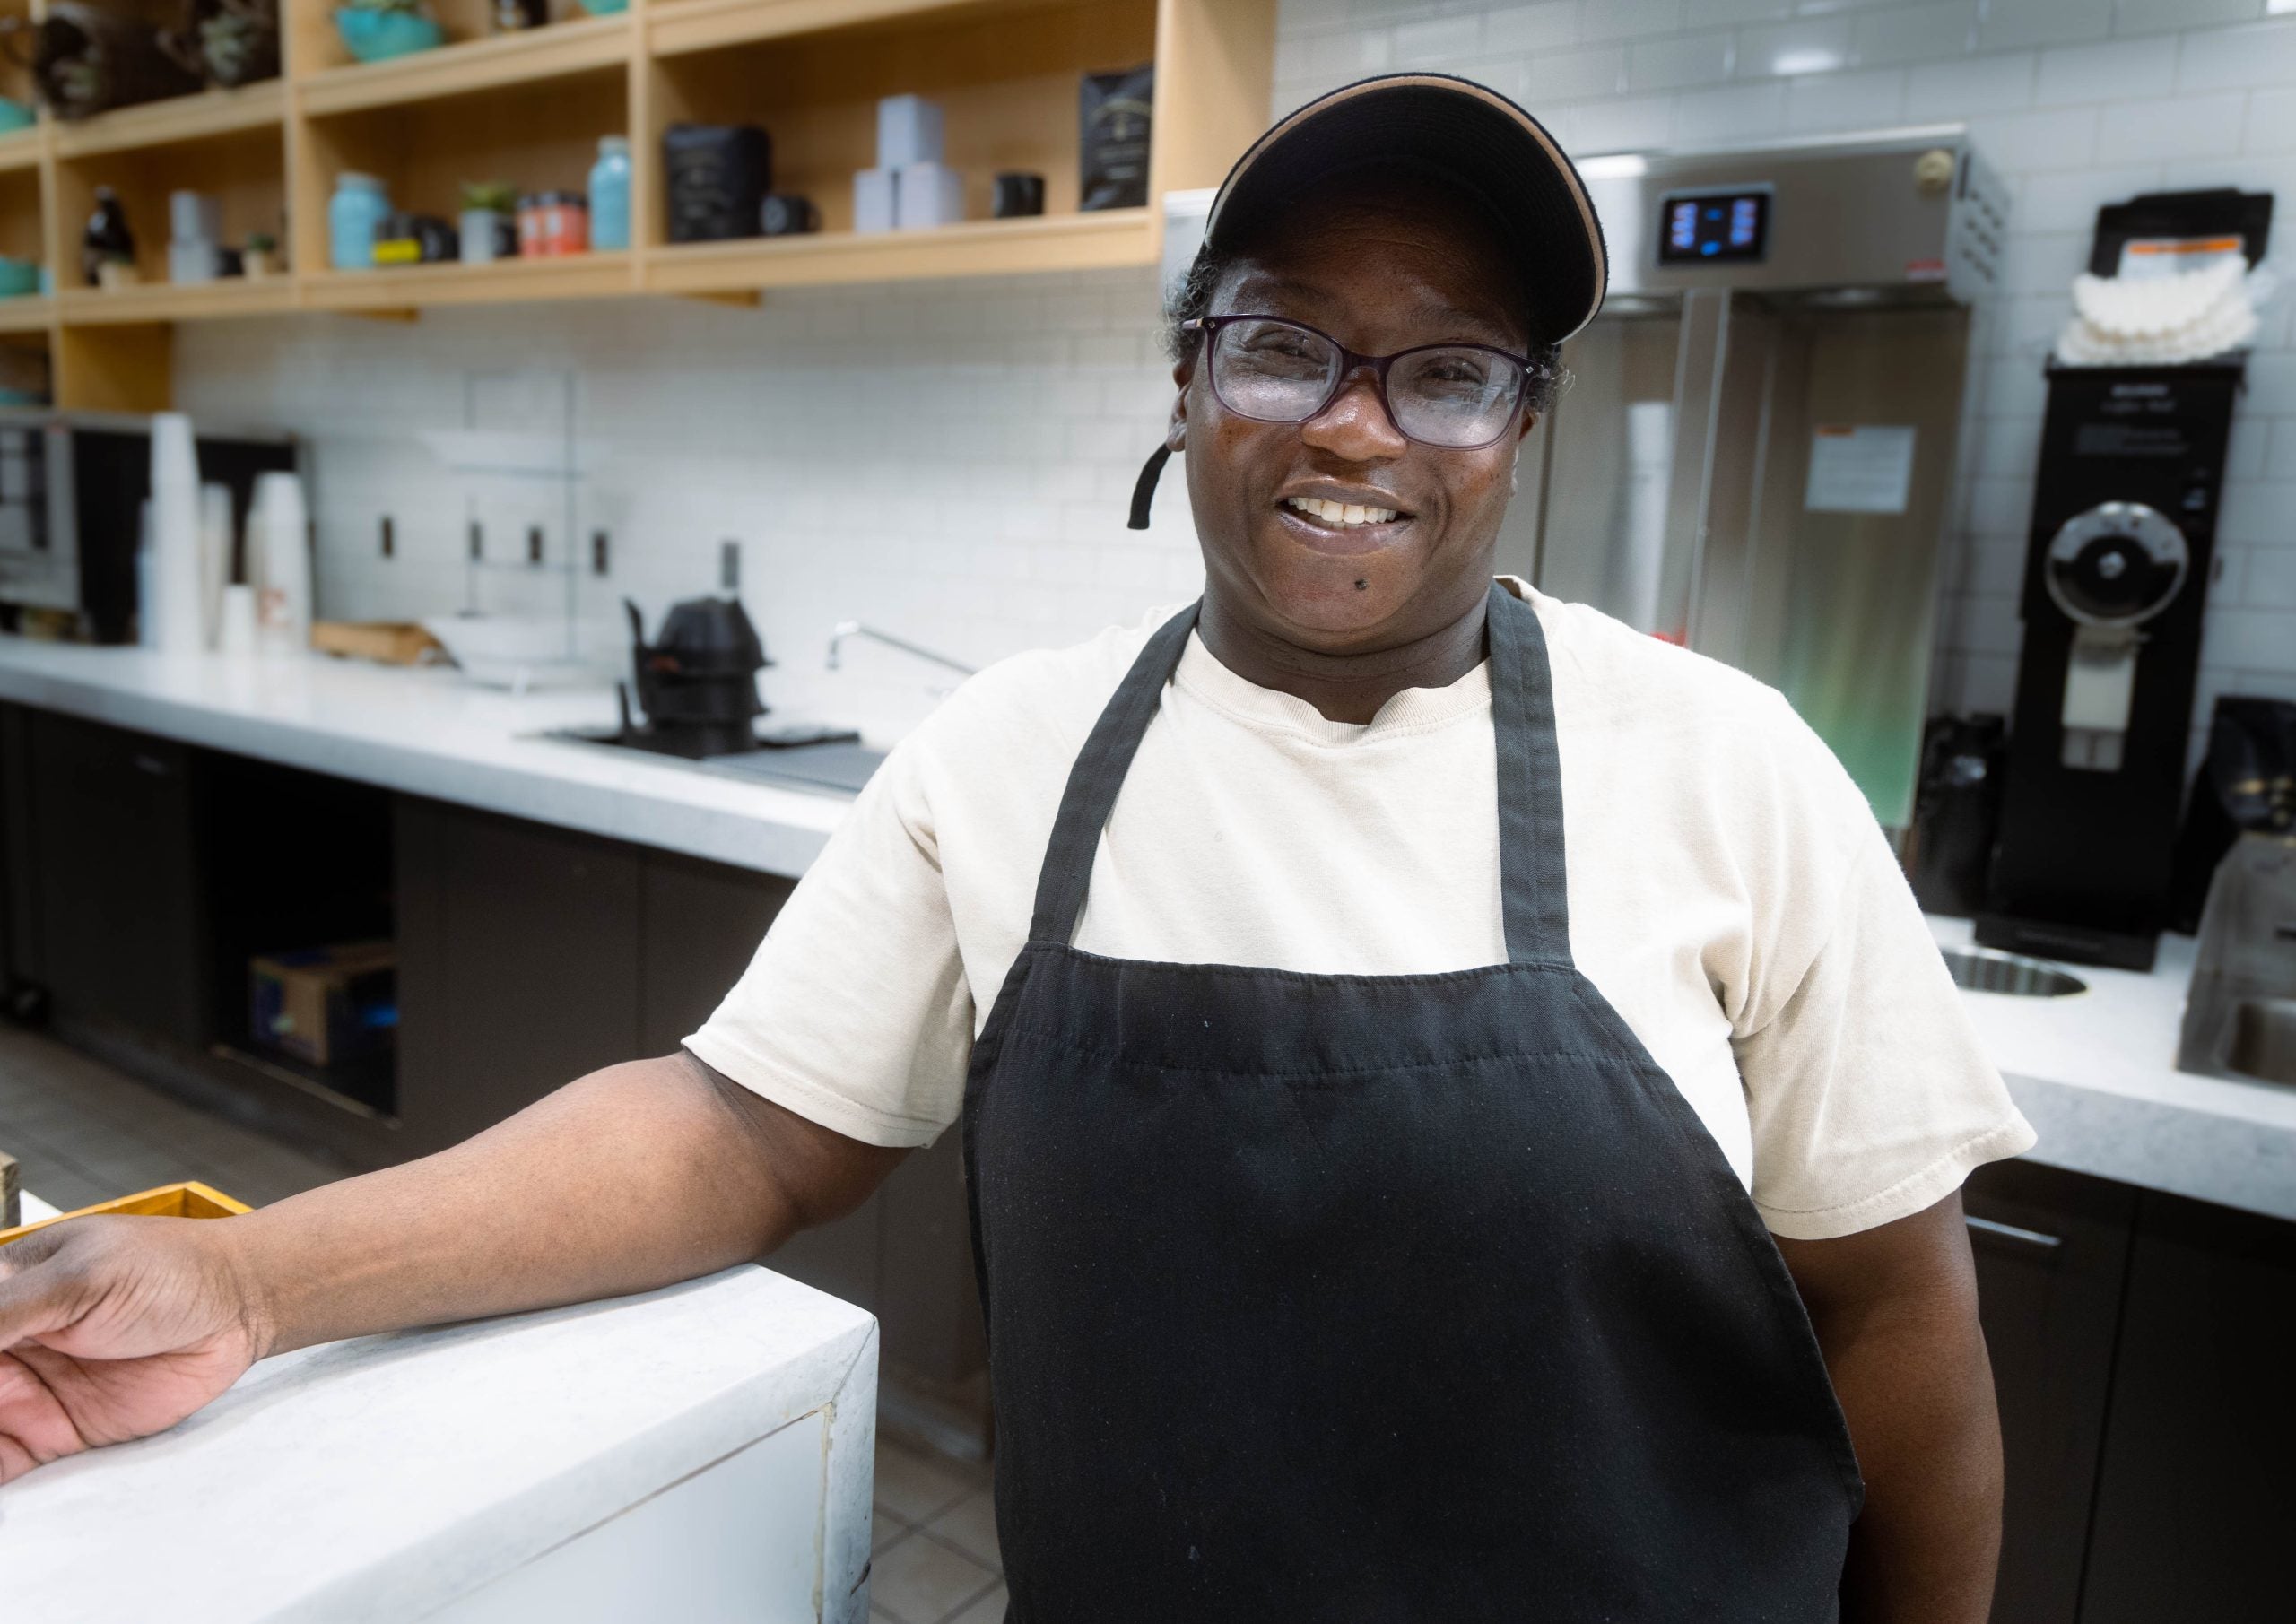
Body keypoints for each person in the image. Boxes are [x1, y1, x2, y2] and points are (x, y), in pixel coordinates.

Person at [0, 74, 2031, 1620]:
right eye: (1281, 344)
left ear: (1521, 423)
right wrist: (252, 1282)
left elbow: (1892, 1322)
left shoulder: (1719, 764)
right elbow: (738, 1129)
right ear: (1187, 377)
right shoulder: (1016, 755)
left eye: (1445, 371)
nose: (1354, 426)